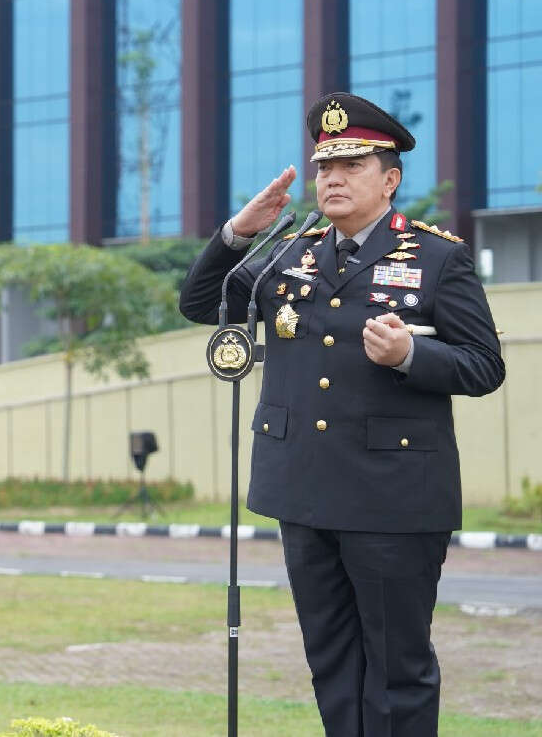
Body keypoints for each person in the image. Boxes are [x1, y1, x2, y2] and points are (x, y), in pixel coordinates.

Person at [179, 91, 505, 736]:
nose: (333, 177)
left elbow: (483, 365)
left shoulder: (439, 258)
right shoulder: (286, 253)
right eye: (325, 165)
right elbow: (200, 304)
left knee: (396, 667)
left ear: (390, 179)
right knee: (330, 662)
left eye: (352, 165)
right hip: (305, 489)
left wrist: (413, 354)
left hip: (393, 496)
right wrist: (236, 233)